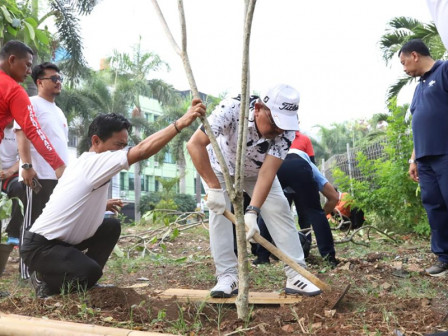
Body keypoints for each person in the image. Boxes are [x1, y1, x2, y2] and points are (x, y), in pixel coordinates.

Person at [20, 101, 205, 298]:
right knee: (89, 272)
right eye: (118, 145)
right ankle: (44, 280)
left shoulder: (83, 163)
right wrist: (181, 123)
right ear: (96, 141)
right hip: (41, 247)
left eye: (124, 146)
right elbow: (142, 150)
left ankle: (82, 282)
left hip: (63, 243)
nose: (121, 151)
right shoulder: (95, 162)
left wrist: (101, 204)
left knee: (111, 226)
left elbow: (70, 196)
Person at [187, 84, 322, 298]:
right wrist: (213, 188)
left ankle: (297, 273)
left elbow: (268, 173)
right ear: (258, 108)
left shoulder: (286, 131)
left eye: (283, 126)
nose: (278, 131)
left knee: (279, 210)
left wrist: (252, 212)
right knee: (219, 217)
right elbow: (195, 144)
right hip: (219, 168)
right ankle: (227, 276)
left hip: (257, 172)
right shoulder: (231, 109)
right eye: (274, 123)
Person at [14, 62, 69, 279]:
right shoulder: (31, 103)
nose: (58, 82)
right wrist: (26, 166)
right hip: (36, 176)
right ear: (39, 82)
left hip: (58, 178)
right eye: (53, 78)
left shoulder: (59, 111)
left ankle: (45, 271)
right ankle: (26, 274)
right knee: (32, 223)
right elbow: (22, 134)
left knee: (51, 225)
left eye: (59, 78)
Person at [399, 39, 448, 276]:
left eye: (404, 61)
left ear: (415, 55)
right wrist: (413, 159)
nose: (404, 68)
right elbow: (420, 124)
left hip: (445, 154)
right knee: (434, 207)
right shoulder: (419, 86)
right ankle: (443, 257)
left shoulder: (444, 71)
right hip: (425, 160)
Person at [254, 149, 339, 267]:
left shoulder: (275, 153)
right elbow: (334, 197)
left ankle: (262, 257)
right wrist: (320, 217)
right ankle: (329, 259)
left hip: (275, 165)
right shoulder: (308, 164)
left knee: (268, 211)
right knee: (315, 212)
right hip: (299, 167)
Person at [0, 40, 65, 178]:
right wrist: (58, 165)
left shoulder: (58, 112)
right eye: (27, 65)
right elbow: (33, 131)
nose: (29, 71)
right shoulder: (14, 91)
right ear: (12, 59)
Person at [0, 122, 26, 246]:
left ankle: (13, 233)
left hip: (12, 172)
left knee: (20, 188)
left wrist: (9, 171)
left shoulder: (19, 130)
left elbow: (23, 155)